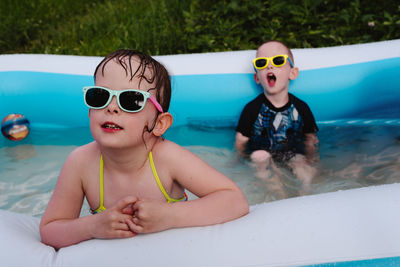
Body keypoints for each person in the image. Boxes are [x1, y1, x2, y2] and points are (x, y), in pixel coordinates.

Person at [40, 49, 249, 249]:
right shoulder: (81, 163)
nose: (111, 107)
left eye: (131, 100)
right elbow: (50, 230)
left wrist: (170, 215)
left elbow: (234, 200)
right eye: (99, 96)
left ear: (159, 124)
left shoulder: (168, 158)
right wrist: (92, 226)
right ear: (89, 112)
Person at [235, 40, 319, 199]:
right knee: (259, 156)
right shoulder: (251, 109)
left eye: (278, 60)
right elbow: (241, 140)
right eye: (261, 63)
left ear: (292, 73)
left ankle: (305, 194)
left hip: (292, 153)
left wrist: (312, 159)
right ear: (257, 78)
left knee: (300, 163)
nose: (269, 66)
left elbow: (310, 138)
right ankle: (278, 194)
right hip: (263, 154)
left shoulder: (301, 108)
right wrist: (238, 159)